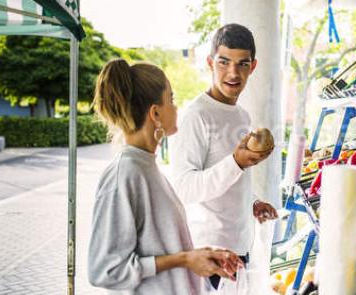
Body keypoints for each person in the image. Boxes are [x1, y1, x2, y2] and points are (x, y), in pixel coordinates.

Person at [88, 59, 242, 294]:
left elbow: (158, 247)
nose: (176, 107)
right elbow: (105, 270)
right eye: (171, 99)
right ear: (155, 112)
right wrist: (184, 259)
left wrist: (198, 256)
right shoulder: (125, 175)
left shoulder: (147, 166)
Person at [171, 24, 279, 292]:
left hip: (240, 248)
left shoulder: (241, 115)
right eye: (224, 62)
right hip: (211, 254)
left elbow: (230, 177)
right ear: (210, 63)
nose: (233, 73)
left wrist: (251, 201)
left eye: (242, 64)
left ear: (252, 67)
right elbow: (184, 187)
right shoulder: (197, 115)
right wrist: (237, 162)